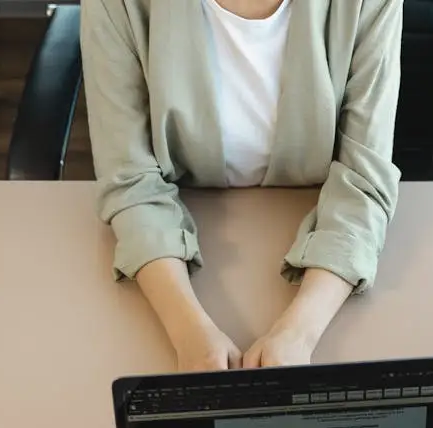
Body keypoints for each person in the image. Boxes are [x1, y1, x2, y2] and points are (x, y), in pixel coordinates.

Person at [81, 0, 402, 371]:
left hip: (321, 244)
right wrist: (189, 331)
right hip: (181, 239)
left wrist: (299, 332)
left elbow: (363, 176)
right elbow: (129, 176)